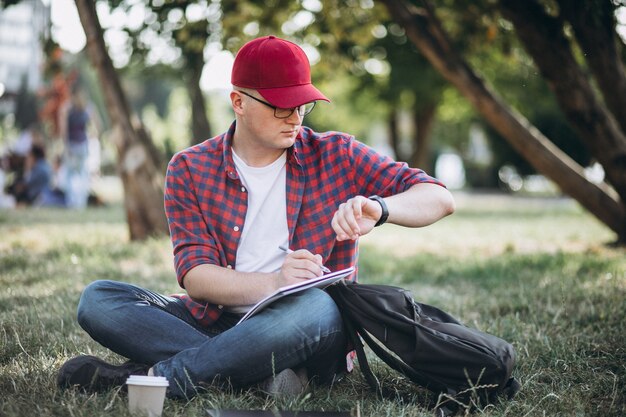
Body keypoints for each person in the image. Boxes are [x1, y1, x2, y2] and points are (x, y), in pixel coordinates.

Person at [57, 36, 455, 399]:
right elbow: (196, 277)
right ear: (239, 102)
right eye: (282, 105)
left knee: (318, 306)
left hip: (309, 327)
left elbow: (438, 197)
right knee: (100, 299)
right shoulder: (190, 168)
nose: (296, 117)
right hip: (213, 321)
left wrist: (381, 208)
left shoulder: (337, 154)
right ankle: (259, 373)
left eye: (303, 104)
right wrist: (274, 281)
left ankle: (158, 378)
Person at [61, 87, 92, 209]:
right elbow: (96, 125)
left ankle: (71, 201)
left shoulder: (67, 109)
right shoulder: (87, 109)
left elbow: (64, 130)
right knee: (83, 173)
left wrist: (65, 145)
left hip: (72, 144)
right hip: (83, 144)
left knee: (70, 174)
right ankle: (81, 201)